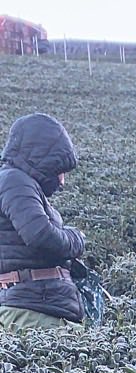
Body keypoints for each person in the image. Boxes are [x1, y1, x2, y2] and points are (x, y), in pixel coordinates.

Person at [0, 112, 85, 334]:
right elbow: (40, 234)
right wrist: (76, 239)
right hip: (33, 312)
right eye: (59, 171)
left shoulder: (17, 183)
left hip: (35, 307)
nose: (62, 181)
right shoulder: (14, 181)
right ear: (41, 159)